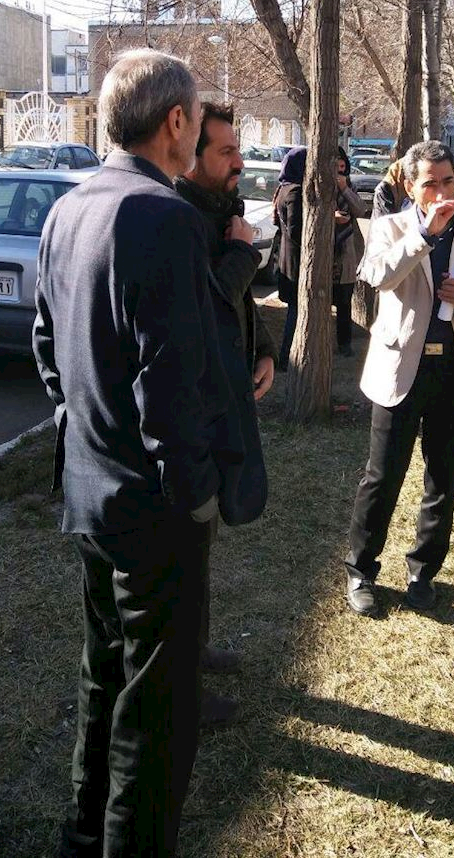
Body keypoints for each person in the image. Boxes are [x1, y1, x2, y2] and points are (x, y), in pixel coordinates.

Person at [33, 50, 260, 858]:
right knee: (158, 710)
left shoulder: (70, 207)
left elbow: (48, 348)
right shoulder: (159, 215)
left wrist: (79, 434)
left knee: (107, 679)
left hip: (91, 495)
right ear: (175, 124)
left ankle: (81, 833)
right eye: (200, 122)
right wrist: (192, 492)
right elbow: (170, 383)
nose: (202, 133)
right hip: (151, 511)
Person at [345, 140, 454, 618]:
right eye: (430, 183)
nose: (442, 192)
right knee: (383, 476)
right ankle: (360, 570)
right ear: (411, 187)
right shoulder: (390, 227)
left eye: (449, 181)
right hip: (400, 369)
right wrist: (423, 236)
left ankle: (422, 572)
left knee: (444, 478)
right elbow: (376, 276)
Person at [176, 102, 276, 725]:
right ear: (192, 157)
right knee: (187, 538)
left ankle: (195, 646)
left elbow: (238, 305)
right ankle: (182, 683)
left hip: (227, 395)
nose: (240, 162)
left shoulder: (225, 210)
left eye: (239, 149)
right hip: (195, 411)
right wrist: (243, 255)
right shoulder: (180, 218)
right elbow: (207, 304)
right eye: (226, 152)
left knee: (204, 535)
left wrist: (263, 347)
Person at [274, 146, 306, 371]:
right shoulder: (295, 191)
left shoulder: (283, 188)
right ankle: (286, 358)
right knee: (295, 313)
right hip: (296, 260)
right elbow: (296, 229)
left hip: (287, 258)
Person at [333, 146, 367, 357]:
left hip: (346, 249)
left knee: (344, 300)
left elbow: (361, 209)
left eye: (343, 167)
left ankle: (344, 343)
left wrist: (345, 189)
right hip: (326, 251)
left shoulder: (349, 186)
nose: (339, 171)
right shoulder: (320, 186)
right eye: (336, 167)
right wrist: (331, 217)